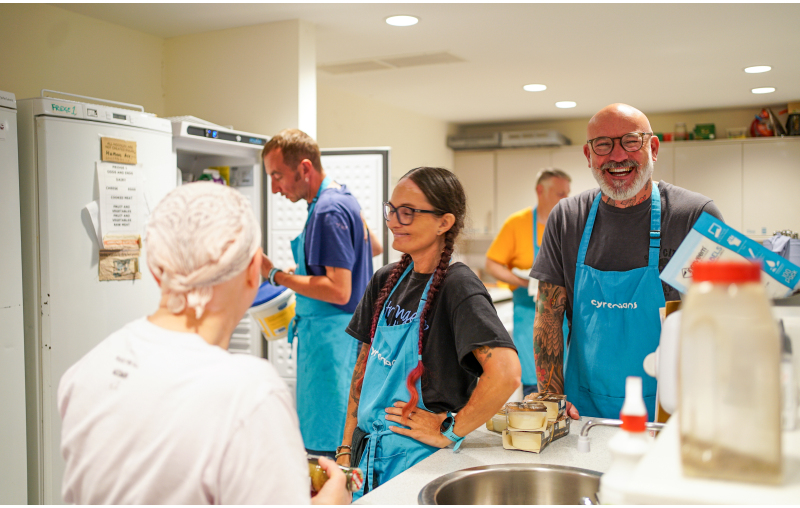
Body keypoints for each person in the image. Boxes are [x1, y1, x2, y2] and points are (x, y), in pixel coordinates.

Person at [58, 182, 349, 504]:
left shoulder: (87, 368)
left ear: (156, 270)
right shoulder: (250, 393)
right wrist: (332, 499)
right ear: (254, 271)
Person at [337, 167, 521, 500]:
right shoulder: (385, 280)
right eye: (390, 210)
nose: (393, 221)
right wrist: (345, 449)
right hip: (367, 457)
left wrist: (449, 431)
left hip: (420, 463)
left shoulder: (457, 285)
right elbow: (361, 373)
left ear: (444, 222)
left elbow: (506, 373)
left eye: (407, 212)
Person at [531, 103, 724, 421]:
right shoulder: (567, 218)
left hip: (671, 409)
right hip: (582, 412)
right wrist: (551, 397)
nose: (617, 156)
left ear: (654, 147)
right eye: (603, 145)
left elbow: (718, 322)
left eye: (631, 141)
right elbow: (548, 316)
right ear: (589, 155)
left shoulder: (695, 216)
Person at [260, 129, 376, 457]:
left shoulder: (326, 211)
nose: (274, 188)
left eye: (278, 176)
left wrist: (274, 274)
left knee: (329, 449)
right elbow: (373, 246)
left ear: (305, 168)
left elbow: (339, 290)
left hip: (331, 344)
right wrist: (305, 274)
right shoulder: (343, 199)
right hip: (337, 338)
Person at [485, 168, 571, 396]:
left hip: (564, 319)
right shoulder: (517, 223)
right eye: (560, 194)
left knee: (567, 385)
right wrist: (524, 283)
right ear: (540, 190)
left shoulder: (570, 225)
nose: (566, 199)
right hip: (528, 317)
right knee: (536, 387)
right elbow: (491, 264)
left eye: (567, 194)